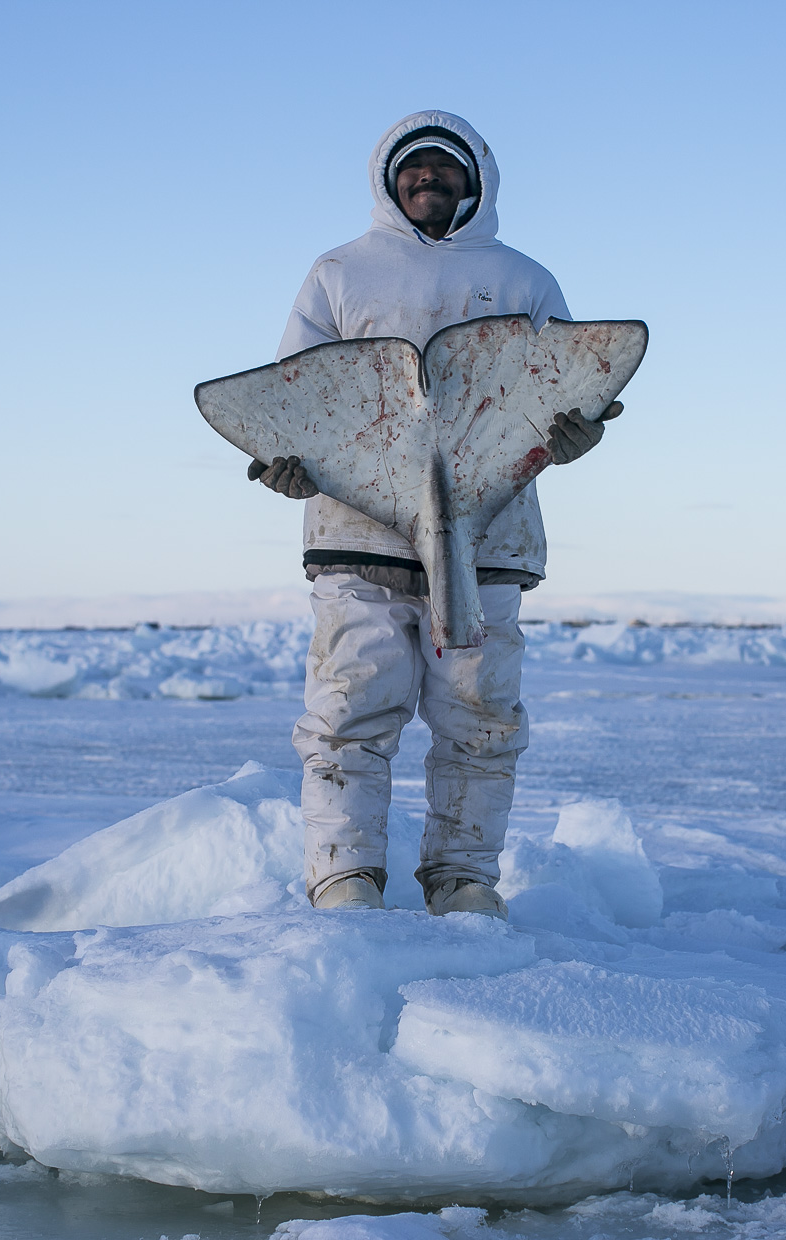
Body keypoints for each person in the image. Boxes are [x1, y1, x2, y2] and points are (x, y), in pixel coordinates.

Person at [252, 110, 621, 918]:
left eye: (444, 170)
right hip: (358, 537)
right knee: (351, 709)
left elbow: (561, 382)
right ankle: (345, 877)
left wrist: (574, 433)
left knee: (479, 718)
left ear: (473, 180)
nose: (428, 179)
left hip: (486, 538)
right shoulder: (338, 275)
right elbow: (296, 391)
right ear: (390, 180)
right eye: (413, 168)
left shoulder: (525, 280)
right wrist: (289, 461)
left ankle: (463, 878)